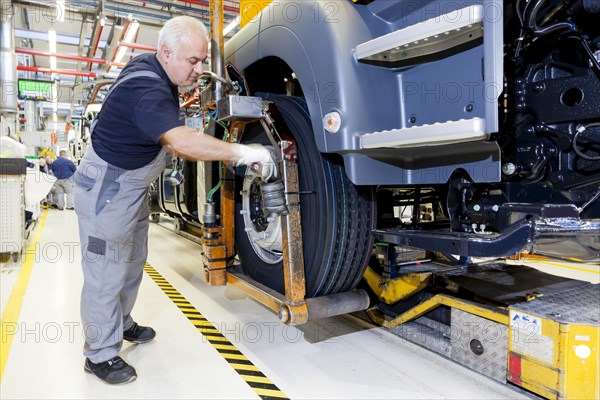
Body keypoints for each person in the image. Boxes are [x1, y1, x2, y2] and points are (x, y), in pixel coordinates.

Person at [73, 15, 275, 385]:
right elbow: (181, 142)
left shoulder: (155, 68)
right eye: (193, 61)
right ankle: (99, 353)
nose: (199, 70)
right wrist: (241, 152)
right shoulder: (148, 90)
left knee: (133, 259)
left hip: (130, 187)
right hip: (108, 189)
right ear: (165, 52)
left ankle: (122, 321)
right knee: (106, 270)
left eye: (202, 61)